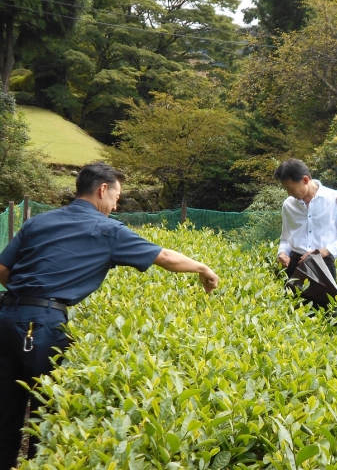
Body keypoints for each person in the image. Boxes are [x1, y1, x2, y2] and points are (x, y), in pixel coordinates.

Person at [0, 163, 219, 469]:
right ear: (103, 190)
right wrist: (204, 268)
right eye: (117, 195)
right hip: (42, 325)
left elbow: (2, 270)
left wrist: (26, 298)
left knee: (6, 412)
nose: (117, 203)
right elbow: (165, 257)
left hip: (6, 316)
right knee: (46, 416)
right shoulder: (107, 229)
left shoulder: (38, 222)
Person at [274, 159, 337, 283]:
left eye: (291, 188)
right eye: (286, 189)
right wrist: (282, 252)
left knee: (325, 303)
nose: (289, 193)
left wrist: (323, 251)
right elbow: (286, 239)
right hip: (294, 266)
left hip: (323, 265)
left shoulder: (335, 200)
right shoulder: (288, 205)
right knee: (293, 302)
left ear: (305, 180)